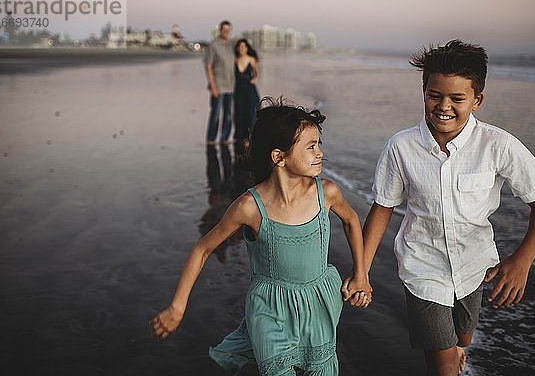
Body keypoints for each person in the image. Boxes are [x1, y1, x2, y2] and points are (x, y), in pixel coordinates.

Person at [343, 40, 535, 376]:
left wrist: (522, 260)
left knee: (463, 338)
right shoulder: (401, 147)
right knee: (443, 367)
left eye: (457, 98)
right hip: (422, 268)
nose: (444, 106)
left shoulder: (497, 144)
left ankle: (455, 349)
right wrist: (362, 272)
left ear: (477, 100)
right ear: (424, 92)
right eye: (434, 95)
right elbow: (382, 208)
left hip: (475, 266)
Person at [151, 98, 372, 375]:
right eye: (311, 146)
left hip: (318, 301)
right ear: (279, 157)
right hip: (270, 309)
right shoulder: (249, 207)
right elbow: (203, 249)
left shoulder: (326, 193)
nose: (320, 154)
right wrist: (177, 306)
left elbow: (352, 220)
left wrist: (361, 274)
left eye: (319, 145)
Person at [204, 20, 236, 145]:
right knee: (216, 114)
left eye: (228, 30)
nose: (226, 32)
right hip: (218, 86)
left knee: (228, 115)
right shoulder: (214, 45)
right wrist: (213, 86)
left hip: (231, 86)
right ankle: (211, 139)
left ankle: (224, 138)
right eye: (224, 30)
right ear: (220, 30)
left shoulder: (231, 46)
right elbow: (208, 66)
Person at [233, 38, 260, 147]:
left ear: (247, 48)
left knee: (251, 113)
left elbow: (256, 73)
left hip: (250, 89)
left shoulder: (251, 59)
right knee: (239, 113)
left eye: (244, 46)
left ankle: (250, 138)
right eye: (240, 46)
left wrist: (254, 79)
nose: (242, 48)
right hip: (239, 89)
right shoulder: (235, 59)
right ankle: (241, 136)